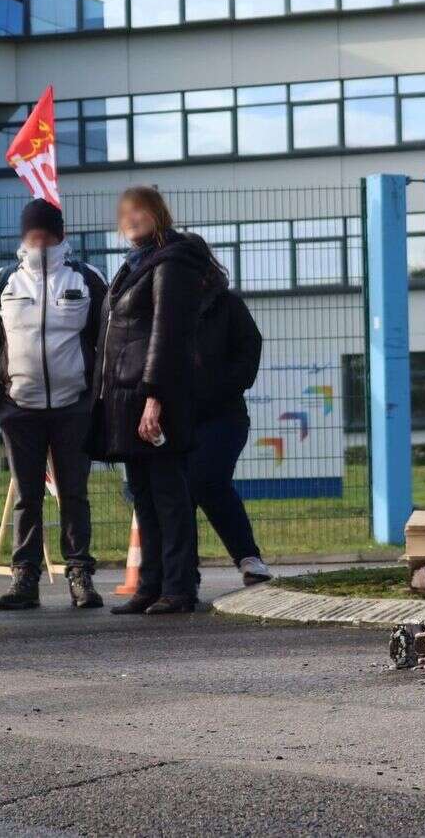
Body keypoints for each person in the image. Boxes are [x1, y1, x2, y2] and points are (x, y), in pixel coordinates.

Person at [0, 199, 109, 610]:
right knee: (26, 497)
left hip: (74, 408)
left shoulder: (89, 278)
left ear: (60, 233)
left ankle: (80, 575)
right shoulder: (2, 282)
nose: (40, 240)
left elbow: (108, 344)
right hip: (20, 410)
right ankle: (24, 580)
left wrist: (92, 399)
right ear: (23, 235)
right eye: (33, 233)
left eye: (46, 232)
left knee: (74, 494)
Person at [91, 186, 211, 615]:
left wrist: (154, 399)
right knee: (142, 495)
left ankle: (178, 588)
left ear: (157, 214)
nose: (130, 218)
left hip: (154, 400)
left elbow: (165, 335)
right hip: (126, 400)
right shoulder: (135, 266)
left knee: (168, 496)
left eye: (139, 210)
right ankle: (151, 584)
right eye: (124, 212)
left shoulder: (170, 263)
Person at [183, 233, 272, 586]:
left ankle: (249, 558)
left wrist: (220, 387)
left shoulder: (227, 305)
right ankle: (181, 573)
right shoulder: (163, 304)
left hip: (223, 415)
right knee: (179, 491)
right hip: (177, 416)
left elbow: (249, 350)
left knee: (207, 480)